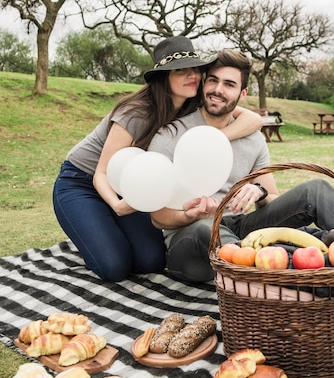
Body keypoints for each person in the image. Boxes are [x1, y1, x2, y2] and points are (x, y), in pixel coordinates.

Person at [149, 49, 334, 354]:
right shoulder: (172, 134)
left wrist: (260, 192)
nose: (218, 90)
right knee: (208, 227)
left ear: (243, 92)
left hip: (237, 226)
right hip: (189, 244)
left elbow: (272, 199)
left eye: (229, 84)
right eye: (213, 81)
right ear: (203, 84)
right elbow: (158, 218)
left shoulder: (251, 139)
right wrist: (190, 214)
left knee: (314, 190)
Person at [52, 36, 263, 282]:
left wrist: (213, 140)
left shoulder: (193, 100)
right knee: (114, 266)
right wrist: (117, 206)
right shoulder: (136, 112)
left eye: (195, 68)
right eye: (181, 71)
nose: (192, 75)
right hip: (83, 182)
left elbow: (254, 119)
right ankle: (96, 232)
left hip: (133, 185)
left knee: (151, 261)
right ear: (165, 76)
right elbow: (101, 172)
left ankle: (106, 231)